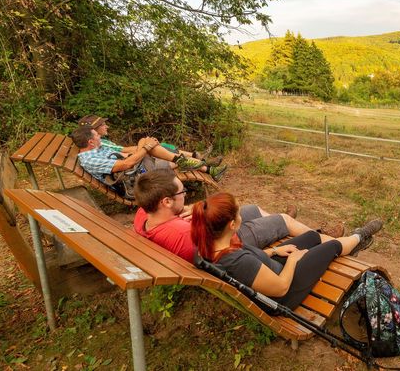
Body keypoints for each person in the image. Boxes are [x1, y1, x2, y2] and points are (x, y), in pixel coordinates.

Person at [191, 192, 383, 310]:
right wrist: (293, 260)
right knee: (330, 246)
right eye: (239, 213)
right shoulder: (236, 260)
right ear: (232, 224)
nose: (242, 215)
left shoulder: (214, 244)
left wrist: (275, 251)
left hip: (272, 270)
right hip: (284, 294)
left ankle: (348, 245)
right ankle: (359, 236)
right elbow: (281, 288)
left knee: (312, 237)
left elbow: (252, 262)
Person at [133, 169, 303, 263]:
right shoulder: (184, 235)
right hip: (230, 238)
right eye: (183, 192)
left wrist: (195, 209)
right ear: (167, 202)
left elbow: (181, 211)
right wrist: (271, 252)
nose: (185, 195)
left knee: (252, 208)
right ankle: (293, 226)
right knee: (283, 219)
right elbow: (225, 251)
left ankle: (280, 224)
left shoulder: (144, 213)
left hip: (210, 231)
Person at [71, 127, 228, 186]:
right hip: (133, 177)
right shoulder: (90, 159)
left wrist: (144, 147)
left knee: (147, 142)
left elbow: (125, 155)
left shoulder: (96, 148)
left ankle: (208, 169)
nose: (100, 137)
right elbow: (125, 165)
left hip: (137, 167)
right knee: (149, 145)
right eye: (96, 136)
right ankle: (205, 167)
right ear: (90, 142)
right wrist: (145, 148)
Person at [78, 115, 222, 167]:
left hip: (137, 160)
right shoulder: (100, 145)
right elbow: (124, 152)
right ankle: (202, 162)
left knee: (162, 146)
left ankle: (199, 159)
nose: (106, 126)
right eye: (103, 125)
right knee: (158, 147)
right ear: (95, 130)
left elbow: (123, 151)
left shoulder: (100, 143)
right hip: (138, 163)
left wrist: (147, 145)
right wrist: (145, 147)